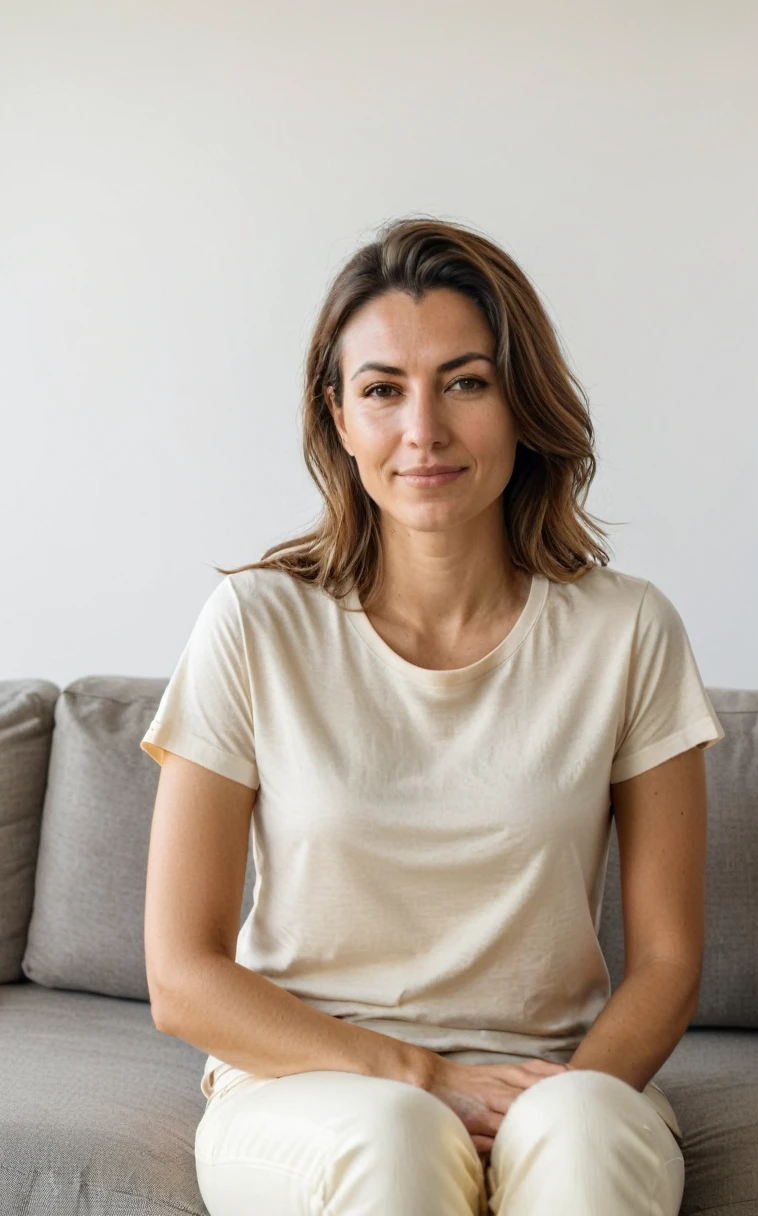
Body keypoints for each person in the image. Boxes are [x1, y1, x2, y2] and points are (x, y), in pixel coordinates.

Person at [140, 214, 725, 1216]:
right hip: (309, 1089)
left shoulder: (628, 631)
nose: (424, 431)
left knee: (577, 1139)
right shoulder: (254, 625)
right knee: (399, 1136)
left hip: (553, 1080)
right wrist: (422, 1077)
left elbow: (667, 960)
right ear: (336, 415)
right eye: (382, 390)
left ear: (519, 400)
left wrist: (556, 1093)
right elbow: (182, 976)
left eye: (466, 381)